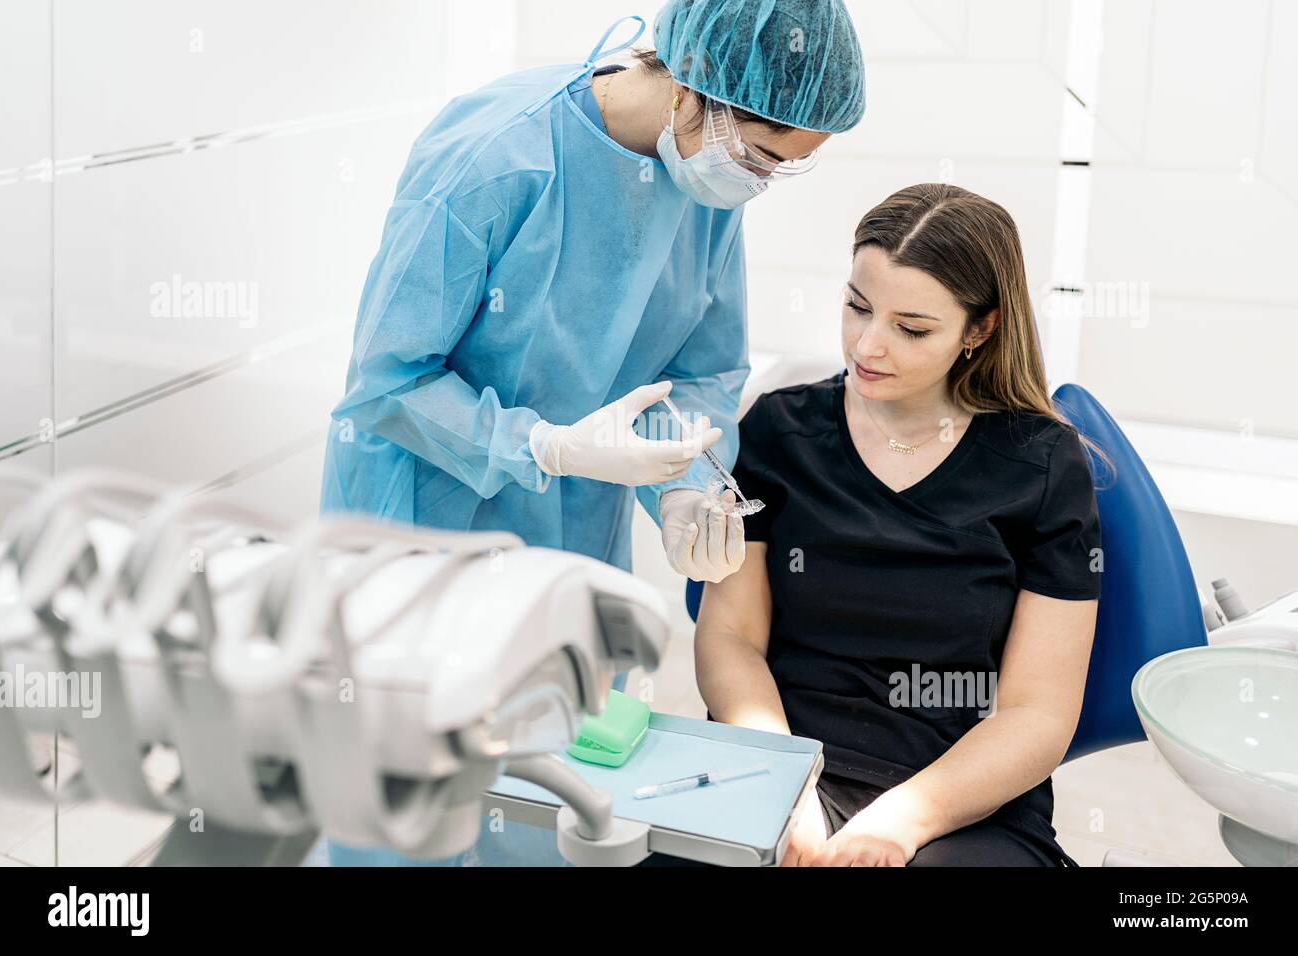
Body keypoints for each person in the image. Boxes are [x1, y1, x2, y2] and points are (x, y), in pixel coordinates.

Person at [320, 0, 867, 866]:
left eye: (785, 168)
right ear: (696, 90)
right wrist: (544, 446)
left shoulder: (703, 183)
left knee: (557, 789)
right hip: (425, 518)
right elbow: (389, 380)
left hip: (572, 531)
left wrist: (688, 484)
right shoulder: (498, 157)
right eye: (763, 156)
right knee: (415, 801)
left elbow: (704, 372)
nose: (760, 182)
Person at [675, 183, 1105, 867]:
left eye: (911, 328)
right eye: (856, 307)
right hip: (777, 760)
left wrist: (903, 821)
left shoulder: (1041, 466)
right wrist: (785, 789)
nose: (867, 346)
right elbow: (730, 638)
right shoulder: (779, 433)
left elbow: (1038, 713)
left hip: (957, 795)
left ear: (981, 328)